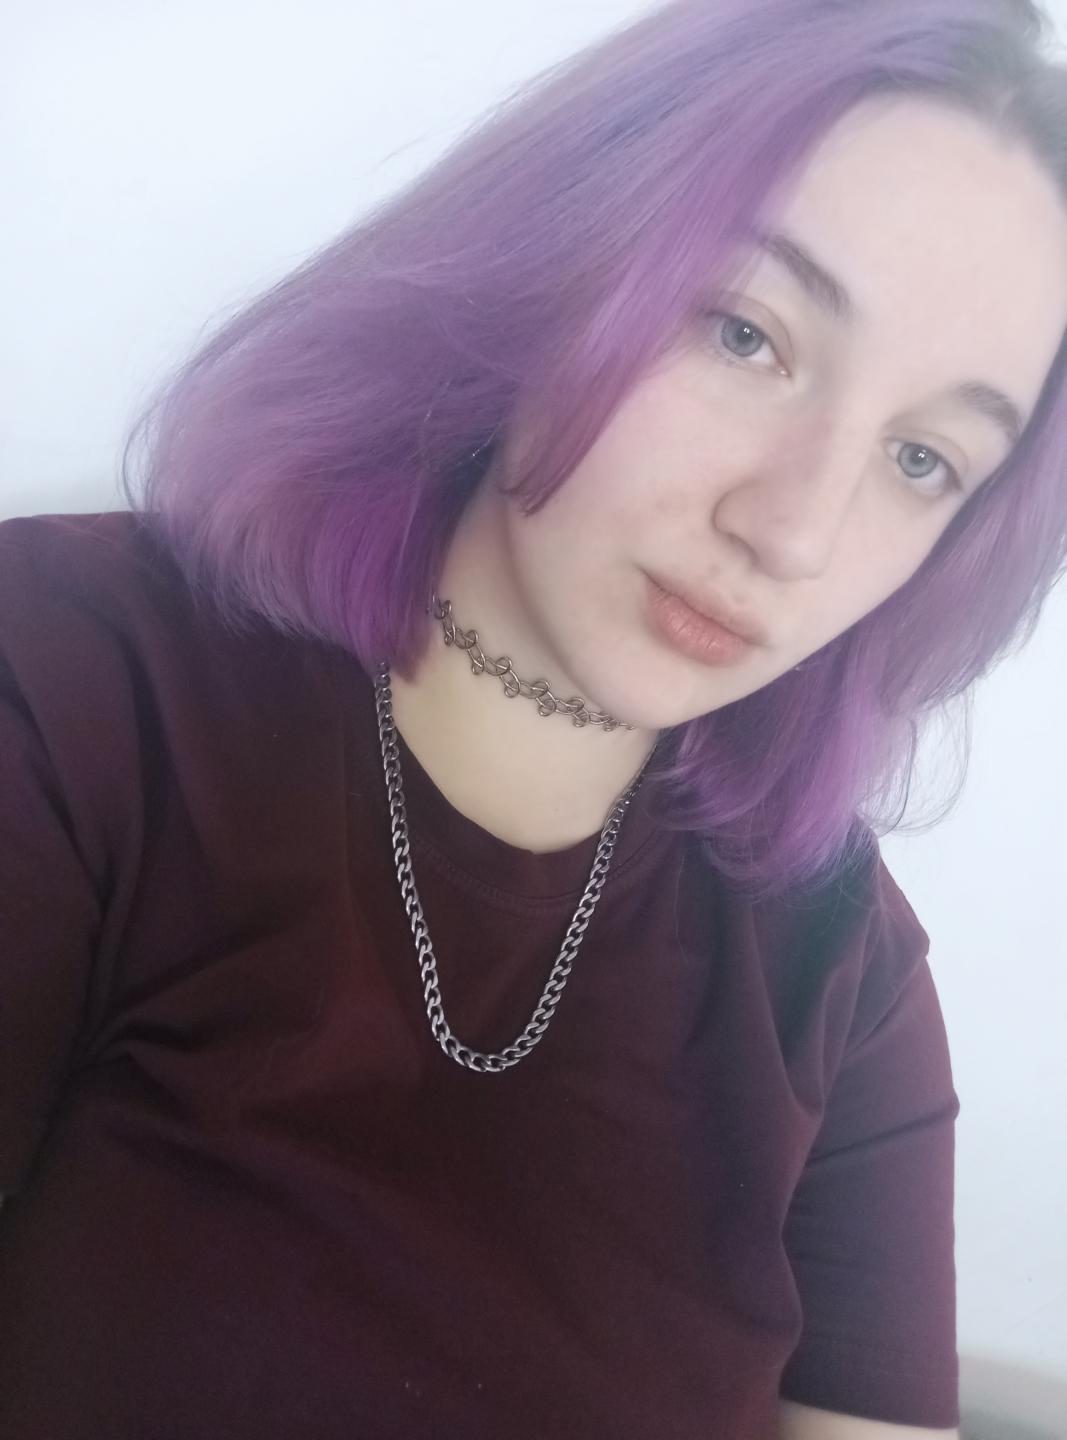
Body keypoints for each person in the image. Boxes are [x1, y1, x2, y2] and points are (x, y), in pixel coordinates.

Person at [2, 0, 1067, 1435]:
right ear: (564, 256)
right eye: (745, 333)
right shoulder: (72, 685)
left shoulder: (839, 969)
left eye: (925, 459)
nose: (796, 532)